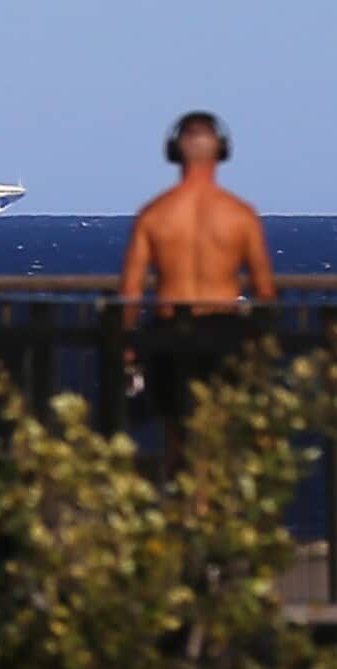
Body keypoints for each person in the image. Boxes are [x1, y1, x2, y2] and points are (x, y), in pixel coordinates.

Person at [119, 111, 277, 477]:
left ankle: (182, 514)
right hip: (224, 332)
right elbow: (265, 290)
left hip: (169, 333)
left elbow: (131, 289)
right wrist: (260, 340)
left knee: (176, 435)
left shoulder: (155, 215)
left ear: (173, 151)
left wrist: (127, 342)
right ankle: (215, 515)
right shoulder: (240, 216)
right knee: (222, 434)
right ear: (222, 151)